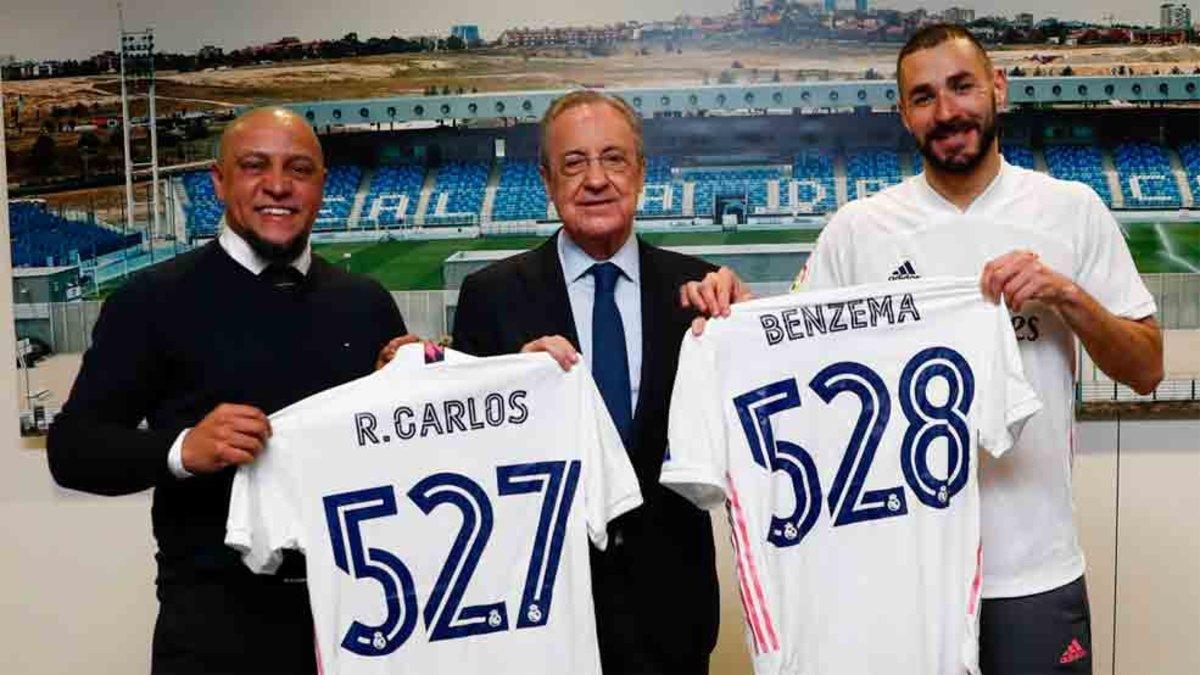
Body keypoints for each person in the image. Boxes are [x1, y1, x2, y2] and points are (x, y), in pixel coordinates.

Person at [681, 24, 1163, 675]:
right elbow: (792, 351)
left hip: (1032, 571)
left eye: (962, 86)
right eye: (925, 97)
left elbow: (1146, 367)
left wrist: (1066, 295)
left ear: (997, 88)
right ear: (906, 115)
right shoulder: (859, 231)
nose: (948, 111)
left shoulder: (1069, 210)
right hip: (901, 580)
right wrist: (736, 309)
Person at [47, 107, 412, 674]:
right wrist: (181, 449)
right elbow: (72, 450)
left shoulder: (365, 303)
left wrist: (413, 384)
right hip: (218, 633)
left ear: (320, 185)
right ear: (219, 182)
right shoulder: (151, 301)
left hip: (361, 621)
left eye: (299, 169)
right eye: (254, 166)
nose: (278, 185)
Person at [451, 90, 720, 673]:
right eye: (574, 163)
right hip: (545, 608)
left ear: (641, 172)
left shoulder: (700, 290)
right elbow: (464, 460)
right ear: (547, 180)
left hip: (672, 610)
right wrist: (512, 392)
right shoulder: (491, 298)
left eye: (614, 159)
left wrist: (745, 326)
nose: (595, 179)